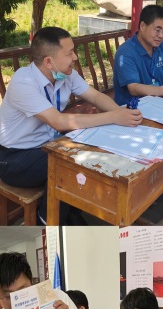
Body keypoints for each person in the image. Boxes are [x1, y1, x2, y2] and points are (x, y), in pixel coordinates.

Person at [0, 27, 143, 223]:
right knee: (68, 164)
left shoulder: (66, 74)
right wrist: (113, 117)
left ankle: (69, 213)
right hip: (13, 157)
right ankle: (47, 222)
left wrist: (121, 114)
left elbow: (96, 97)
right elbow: (58, 121)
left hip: (46, 145)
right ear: (48, 62)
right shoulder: (23, 81)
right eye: (69, 53)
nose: (75, 57)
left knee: (86, 153)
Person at [113, 5, 163, 107]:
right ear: (142, 26)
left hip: (160, 100)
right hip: (133, 107)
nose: (161, 36)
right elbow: (134, 88)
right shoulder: (125, 52)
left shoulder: (161, 46)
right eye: (157, 30)